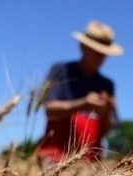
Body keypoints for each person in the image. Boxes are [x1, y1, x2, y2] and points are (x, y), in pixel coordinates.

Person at [36, 20, 124, 163]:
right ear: (82, 47)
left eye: (104, 53)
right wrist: (83, 103)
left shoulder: (107, 85)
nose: (100, 57)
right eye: (96, 51)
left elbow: (108, 130)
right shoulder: (62, 70)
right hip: (55, 158)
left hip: (90, 164)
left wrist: (106, 113)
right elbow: (49, 110)